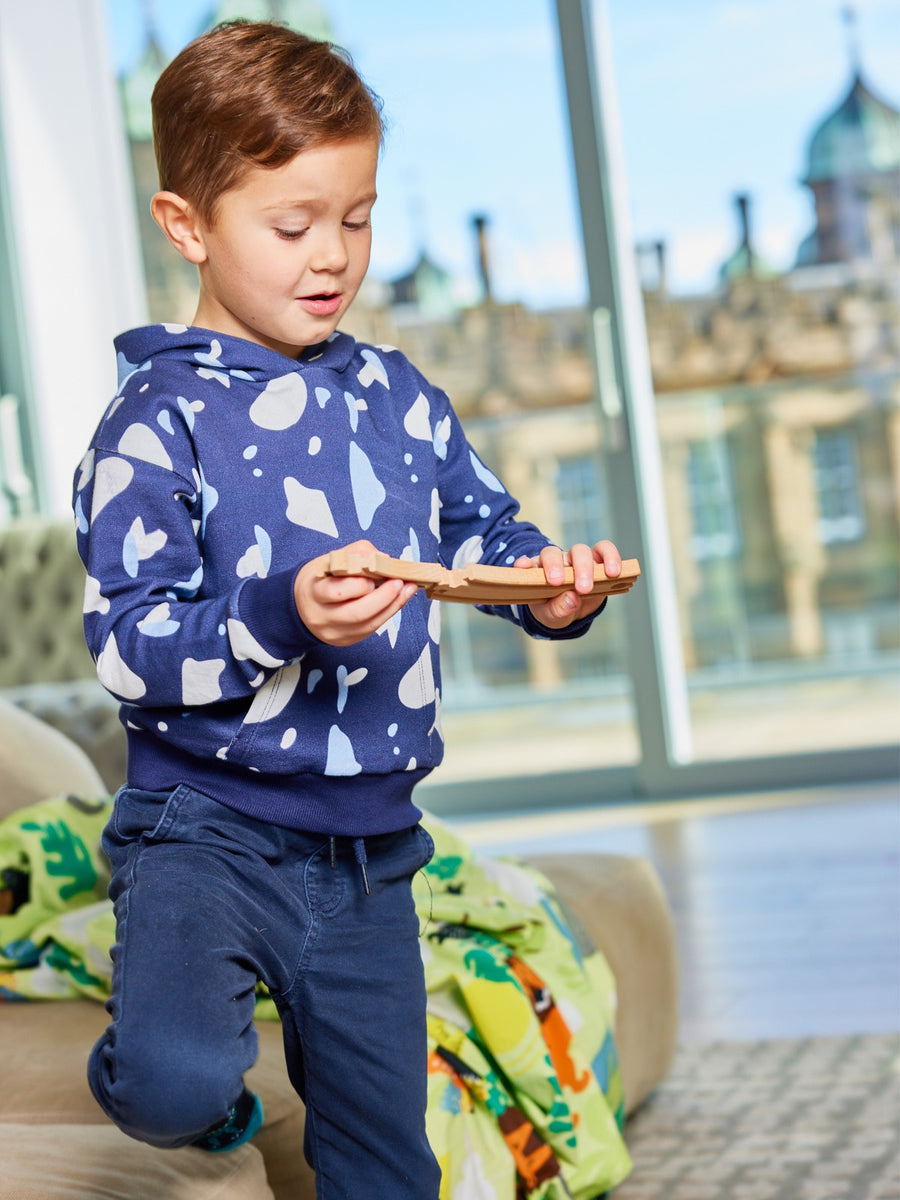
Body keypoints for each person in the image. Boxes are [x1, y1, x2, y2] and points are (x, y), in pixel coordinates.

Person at [72, 19, 622, 1199]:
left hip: (372, 849)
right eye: (292, 227)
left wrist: (550, 589)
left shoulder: (399, 397)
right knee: (174, 1087)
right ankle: (164, 1078)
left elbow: (482, 537)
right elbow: (127, 647)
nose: (333, 257)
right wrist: (279, 614)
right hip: (204, 832)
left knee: (387, 1165)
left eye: (358, 220)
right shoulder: (153, 423)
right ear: (187, 227)